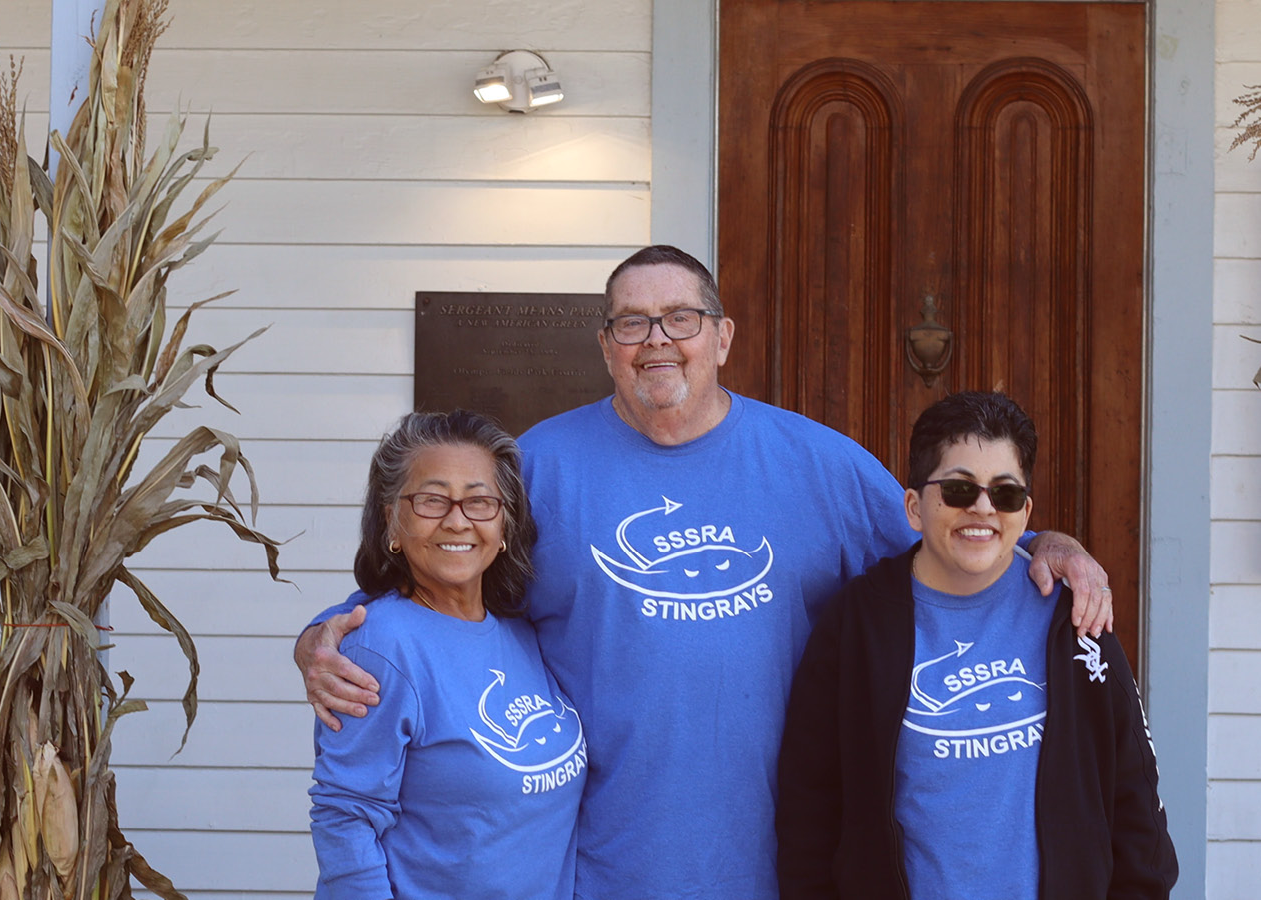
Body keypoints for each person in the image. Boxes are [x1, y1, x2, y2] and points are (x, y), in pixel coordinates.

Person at [297, 246, 1114, 900]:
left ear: (722, 337)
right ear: (605, 345)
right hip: (602, 864)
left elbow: (956, 530)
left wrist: (1051, 543)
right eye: (631, 323)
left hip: (782, 861)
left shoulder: (817, 464)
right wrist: (324, 638)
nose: (657, 340)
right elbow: (440, 566)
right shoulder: (540, 465)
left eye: (680, 318)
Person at [775, 391, 1177, 899]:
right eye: (960, 488)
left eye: (1005, 494)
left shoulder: (1074, 620)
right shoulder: (856, 626)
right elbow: (809, 809)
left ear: (1025, 512)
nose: (983, 507)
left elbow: (1135, 795)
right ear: (915, 507)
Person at [307, 410, 585, 900]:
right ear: (392, 519)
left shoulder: (522, 632)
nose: (457, 519)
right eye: (432, 500)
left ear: (504, 524)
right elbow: (345, 817)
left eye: (479, 502)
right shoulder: (382, 646)